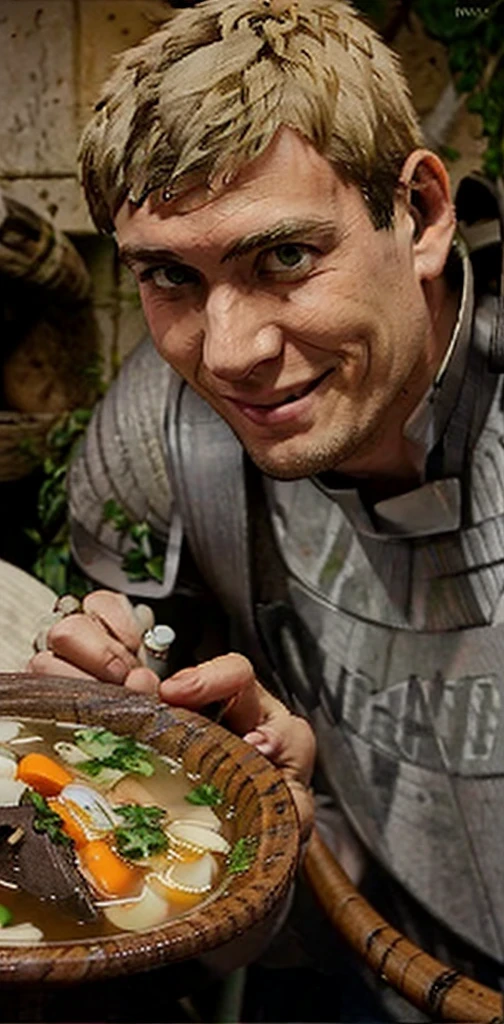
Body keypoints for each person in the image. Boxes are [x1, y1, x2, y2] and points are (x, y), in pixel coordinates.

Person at [29, 0, 504, 1018]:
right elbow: (190, 869)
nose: (230, 350)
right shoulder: (156, 445)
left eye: (284, 255)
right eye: (171, 276)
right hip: (350, 951)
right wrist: (134, 746)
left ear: (419, 213)